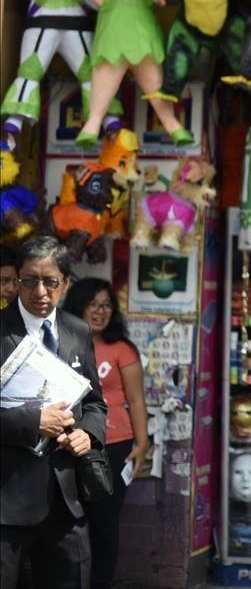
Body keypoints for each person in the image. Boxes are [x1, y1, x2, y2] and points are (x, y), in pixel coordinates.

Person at [0, 236, 107, 589]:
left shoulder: (77, 331)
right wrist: (33, 422)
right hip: (6, 502)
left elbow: (94, 402)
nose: (40, 291)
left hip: (66, 501)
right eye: (30, 280)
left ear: (66, 283)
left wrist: (87, 434)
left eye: (51, 282)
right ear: (16, 280)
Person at [61, 278, 149, 589]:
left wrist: (141, 444)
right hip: (67, 444)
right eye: (93, 304)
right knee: (71, 523)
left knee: (105, 524)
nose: (101, 311)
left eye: (107, 304)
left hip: (114, 447)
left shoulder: (122, 348)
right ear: (78, 306)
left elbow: (136, 399)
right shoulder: (61, 340)